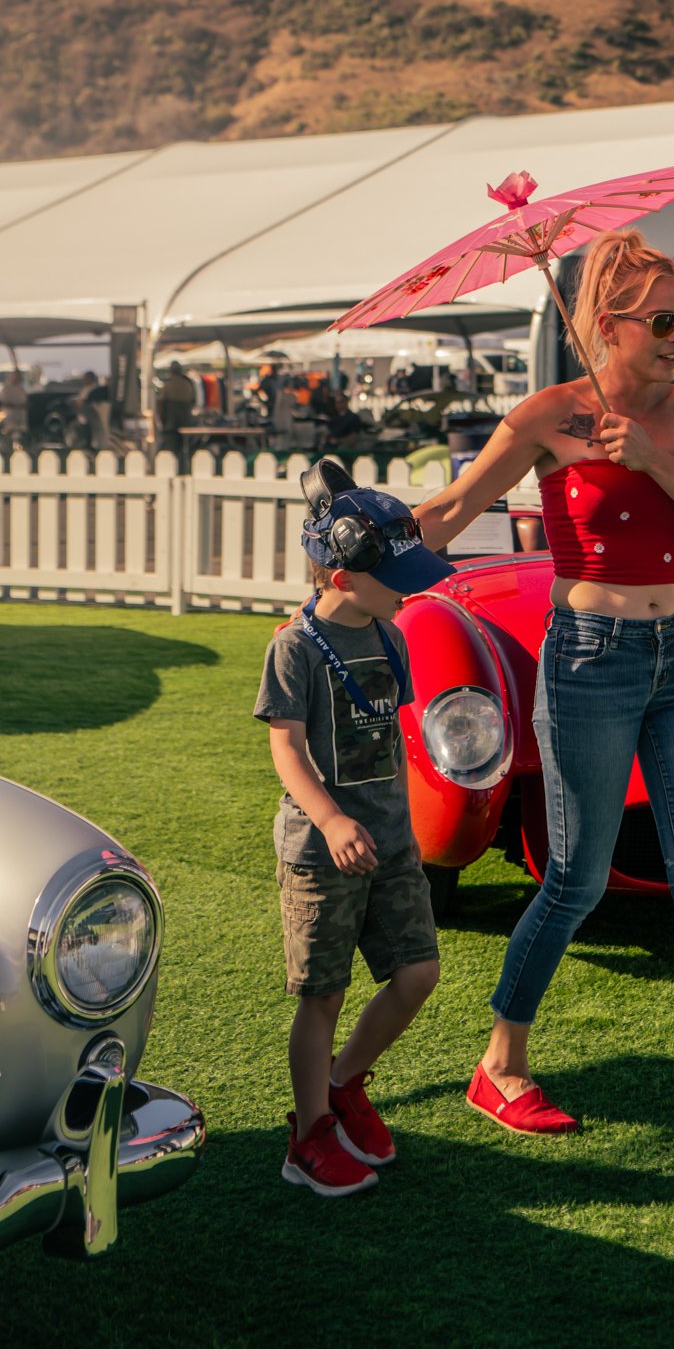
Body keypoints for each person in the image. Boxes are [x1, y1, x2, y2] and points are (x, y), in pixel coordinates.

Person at [416, 228, 674, 1164]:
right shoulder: (545, 418)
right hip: (588, 659)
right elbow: (452, 514)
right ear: (609, 325)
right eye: (665, 320)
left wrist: (652, 460)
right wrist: (363, 542)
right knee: (577, 880)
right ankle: (500, 1064)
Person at [253, 484, 453, 1196]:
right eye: (394, 580)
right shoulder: (294, 648)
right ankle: (307, 1136)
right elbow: (287, 749)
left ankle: (343, 1086)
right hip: (320, 851)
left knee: (418, 974)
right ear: (341, 578)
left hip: (391, 844)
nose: (408, 591)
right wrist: (333, 820)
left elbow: (387, 734)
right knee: (323, 997)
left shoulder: (391, 635)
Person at [156, 361, 197, 462]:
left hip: (171, 423)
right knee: (184, 448)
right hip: (185, 421)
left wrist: (161, 419)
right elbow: (193, 401)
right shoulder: (187, 383)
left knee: (171, 449)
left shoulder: (168, 384)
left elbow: (161, 404)